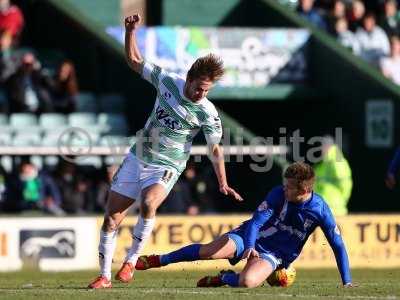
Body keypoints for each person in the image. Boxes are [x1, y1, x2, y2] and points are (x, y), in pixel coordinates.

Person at [88, 14, 243, 289]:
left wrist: (223, 182)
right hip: (138, 157)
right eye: (199, 88)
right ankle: (104, 276)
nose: (201, 95)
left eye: (206, 91)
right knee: (112, 219)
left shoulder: (207, 112)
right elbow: (134, 61)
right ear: (190, 78)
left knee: (148, 203)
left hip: (167, 165)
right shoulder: (167, 82)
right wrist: (130, 32)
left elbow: (215, 148)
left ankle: (131, 260)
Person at [135, 162, 354, 288]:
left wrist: (347, 282)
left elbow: (337, 244)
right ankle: (158, 259)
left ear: (304, 191)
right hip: (251, 237)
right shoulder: (278, 195)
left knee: (248, 282)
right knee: (210, 251)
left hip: (276, 253)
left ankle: (223, 278)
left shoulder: (320, 211)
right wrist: (249, 246)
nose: (283, 188)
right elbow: (256, 222)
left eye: (288, 187)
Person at [313, 136, 352, 216]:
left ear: (328, 146)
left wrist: (341, 201)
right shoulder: (321, 165)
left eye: (323, 146)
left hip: (335, 211)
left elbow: (345, 185)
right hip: (322, 211)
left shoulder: (337, 162)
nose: (321, 149)